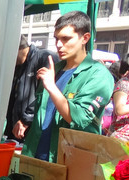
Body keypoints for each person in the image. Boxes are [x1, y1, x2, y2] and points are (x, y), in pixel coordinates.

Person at [22, 11, 114, 162]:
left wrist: (51, 87)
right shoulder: (55, 69)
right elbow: (42, 112)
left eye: (65, 39)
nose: (59, 45)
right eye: (56, 39)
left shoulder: (98, 74)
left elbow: (79, 118)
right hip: (35, 157)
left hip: (70, 162)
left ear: (85, 38)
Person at [5, 38, 58, 142]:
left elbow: (45, 95)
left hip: (36, 132)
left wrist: (26, 120)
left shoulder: (44, 57)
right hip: (19, 132)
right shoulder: (18, 66)